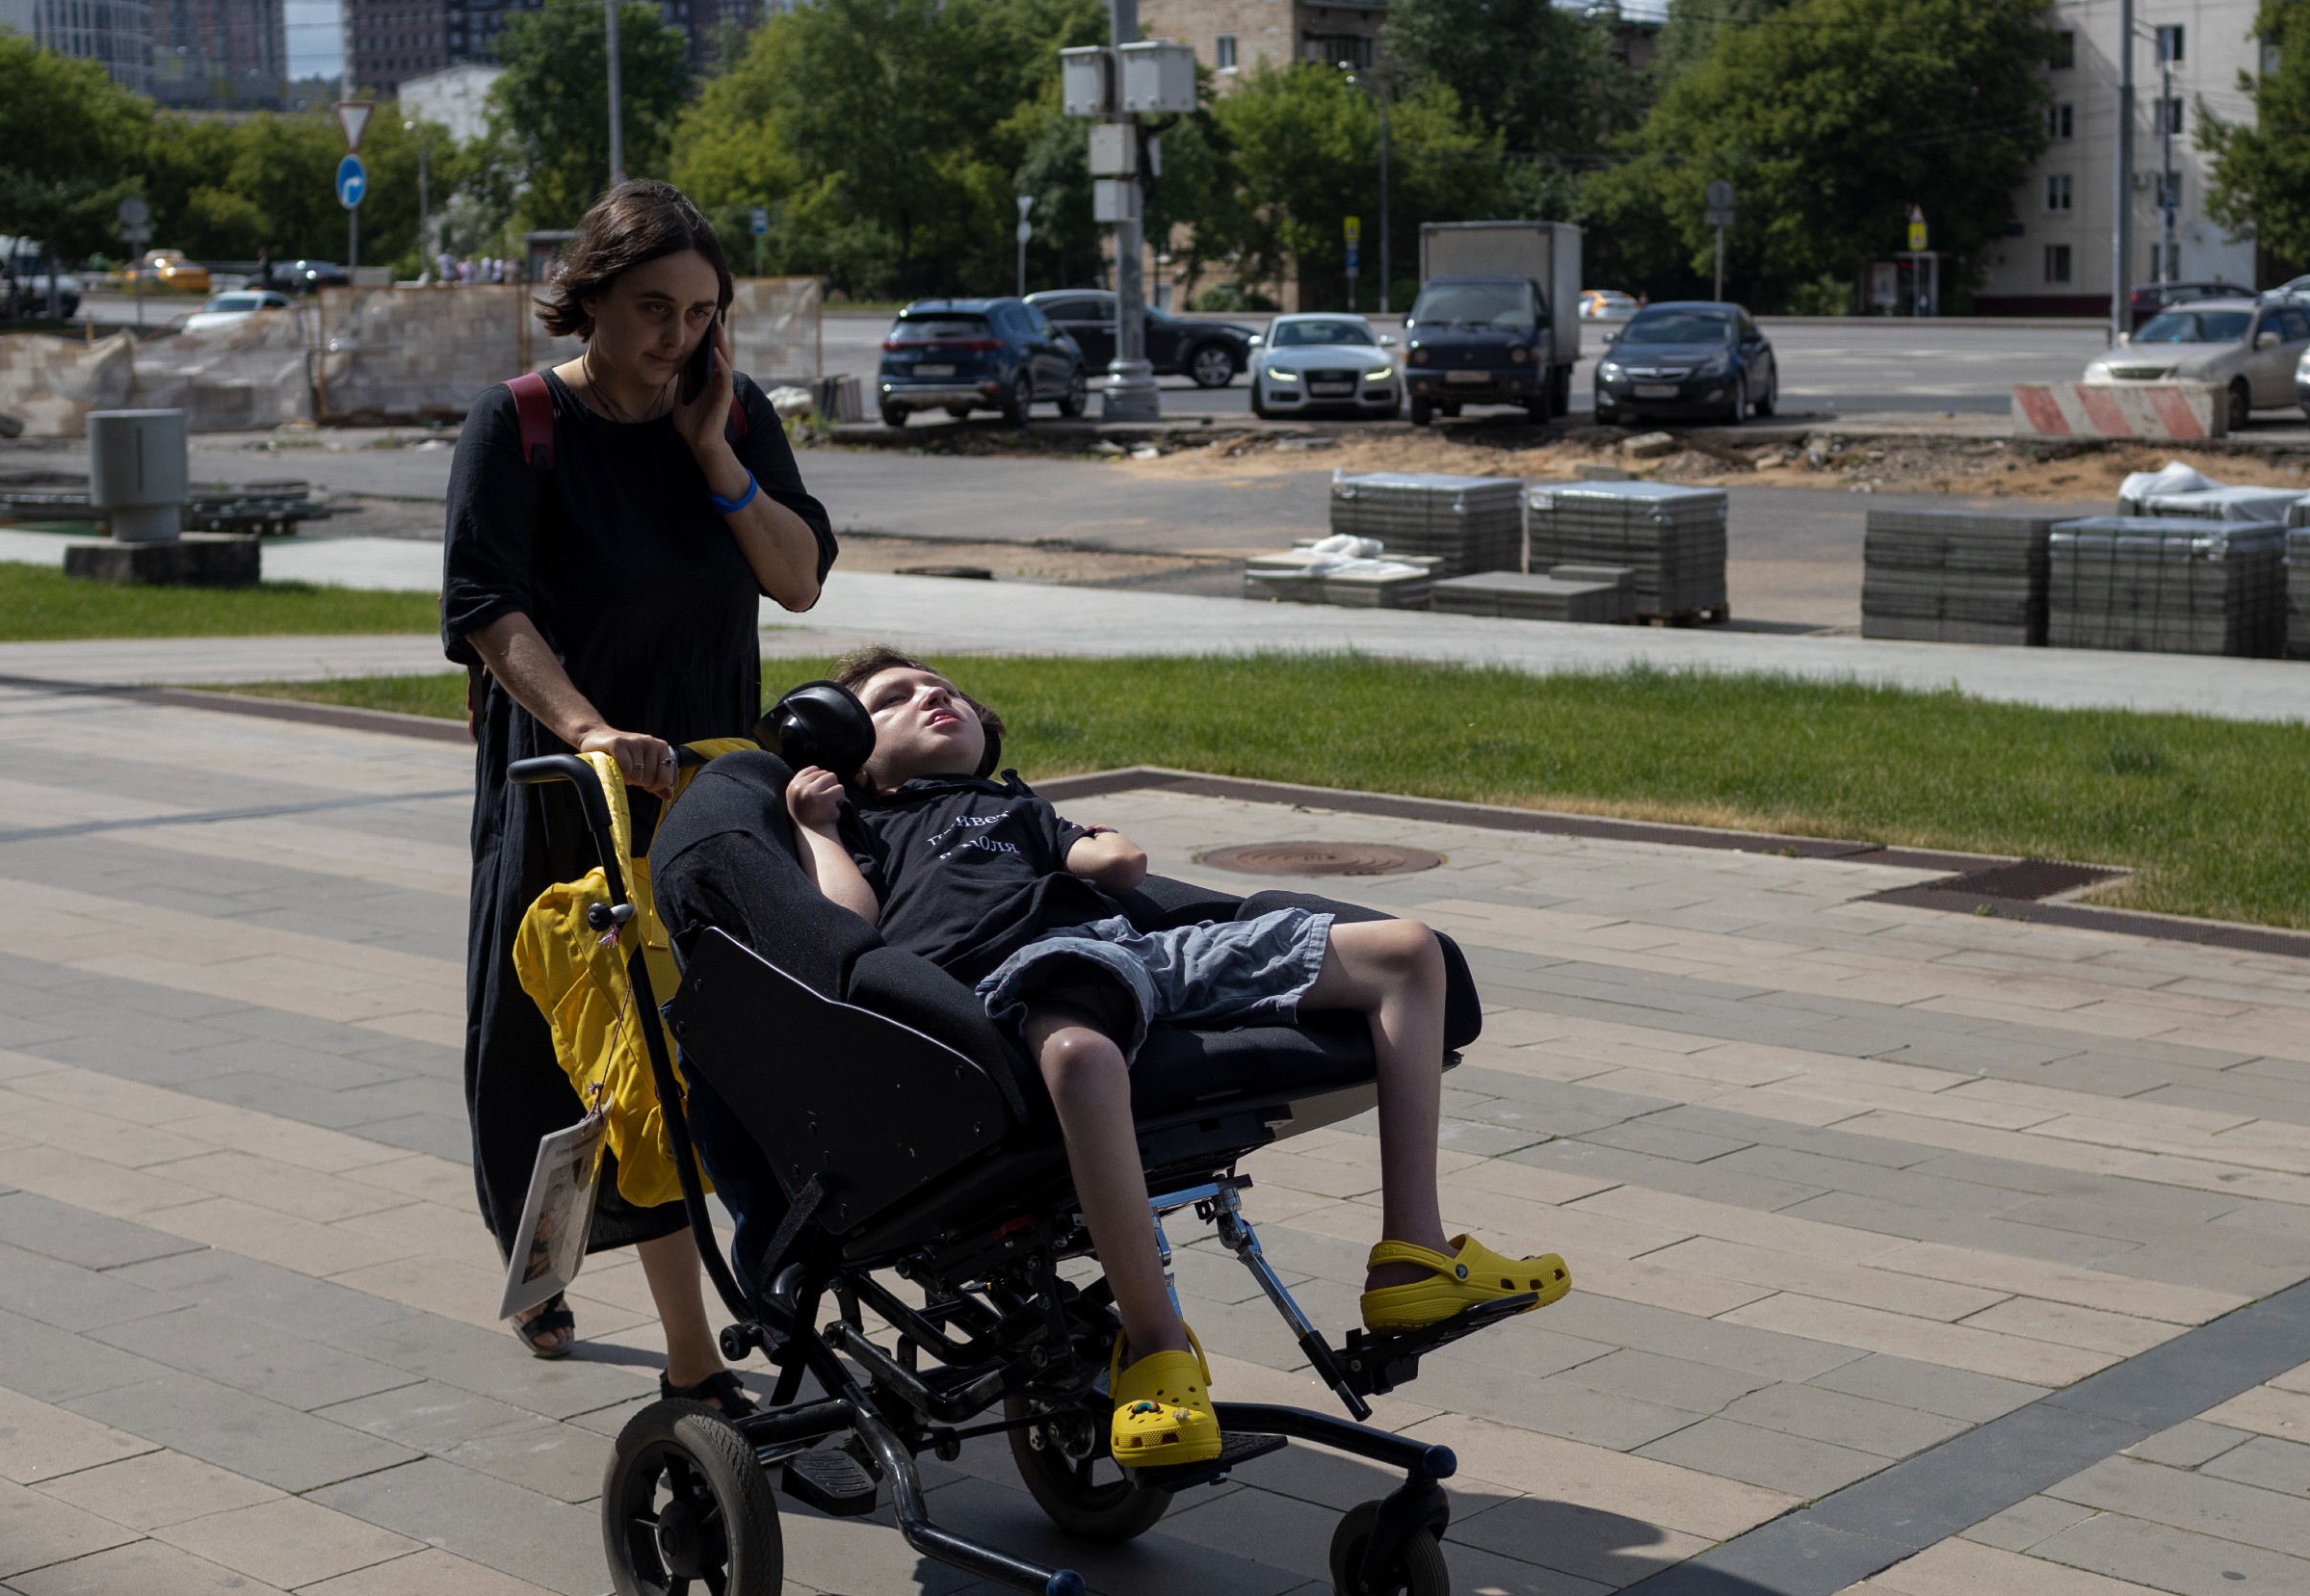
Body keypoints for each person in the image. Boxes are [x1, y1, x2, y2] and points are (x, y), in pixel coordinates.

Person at [774, 649, 1569, 1469]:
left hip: (1136, 948)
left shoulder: (1015, 804)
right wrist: (817, 826)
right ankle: (1156, 1351)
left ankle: (1415, 1255)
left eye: (943, 690)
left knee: (1406, 952)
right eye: (893, 699)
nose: (932, 696)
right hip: (1011, 974)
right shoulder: (868, 824)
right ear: (847, 758)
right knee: (1081, 1056)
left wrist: (1087, 840)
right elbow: (849, 926)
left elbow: (1119, 868)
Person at [442, 180, 834, 1411]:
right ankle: (545, 1259)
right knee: (544, 1045)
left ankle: (717, 1272)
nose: (678, 334)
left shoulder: (731, 413)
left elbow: (800, 580)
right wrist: (592, 728)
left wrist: (714, 447)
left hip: (710, 770)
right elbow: (487, 611)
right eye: (653, 308)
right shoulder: (517, 425)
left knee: (701, 1031)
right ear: (591, 300)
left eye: (702, 310)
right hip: (571, 770)